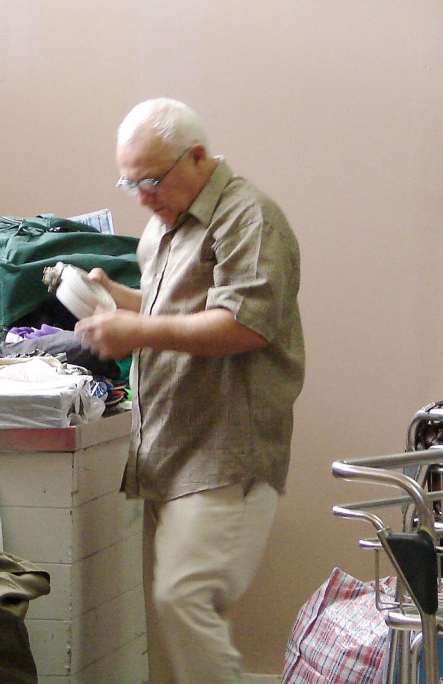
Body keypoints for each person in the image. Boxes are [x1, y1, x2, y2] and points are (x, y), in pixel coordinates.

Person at [75, 98, 305, 684]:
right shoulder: (163, 227)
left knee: (183, 599)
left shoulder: (249, 217)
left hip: (224, 450)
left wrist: (137, 327)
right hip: (169, 449)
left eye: (150, 179)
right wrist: (115, 299)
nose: (143, 196)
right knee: (173, 613)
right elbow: (173, 311)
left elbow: (245, 324)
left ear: (197, 156)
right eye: (130, 184)